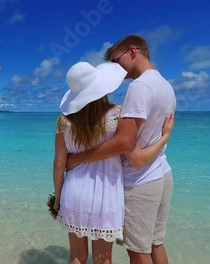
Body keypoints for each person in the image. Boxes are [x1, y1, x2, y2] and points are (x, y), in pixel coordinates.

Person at [66, 34, 176, 264]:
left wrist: (79, 159)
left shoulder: (139, 87)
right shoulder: (166, 86)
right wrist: (165, 137)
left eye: (116, 61)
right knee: (155, 243)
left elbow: (124, 143)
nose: (115, 68)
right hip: (162, 173)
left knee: (137, 251)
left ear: (133, 52)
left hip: (140, 180)